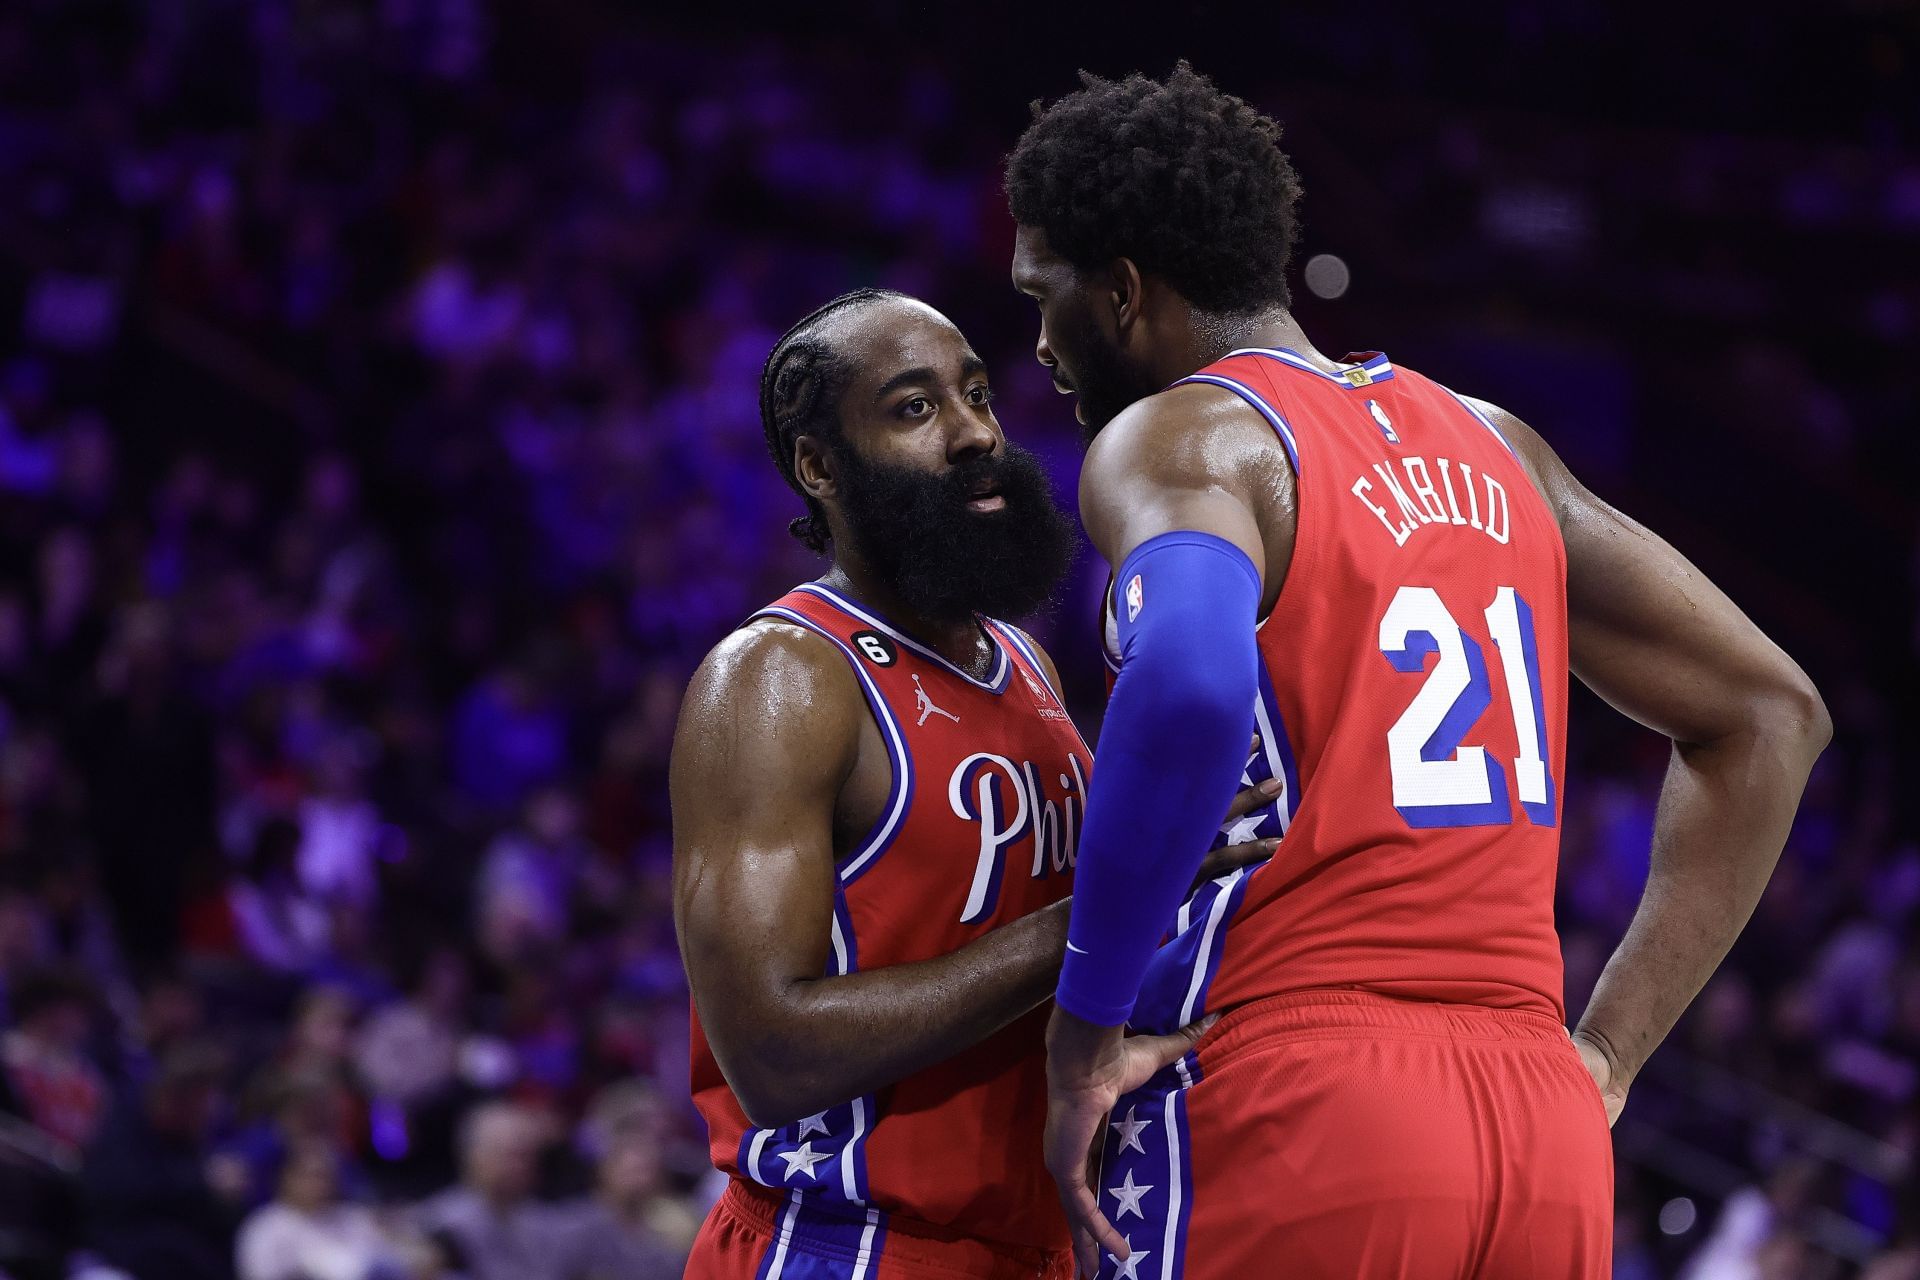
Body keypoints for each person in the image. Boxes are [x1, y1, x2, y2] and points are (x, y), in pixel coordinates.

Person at [1004, 64, 1832, 1279]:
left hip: (1300, 1097)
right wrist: (1606, 1051)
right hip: (1536, 1125)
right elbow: (1771, 711)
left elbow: (1184, 680)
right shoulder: (1497, 444)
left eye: (1044, 296)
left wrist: (1082, 1033)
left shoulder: (1184, 436)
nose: (1037, 341)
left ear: (1123, 293)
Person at [673, 290, 1277, 1280]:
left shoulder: (1022, 662)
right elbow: (770, 1052)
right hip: (846, 1242)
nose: (972, 434)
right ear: (819, 465)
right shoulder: (782, 677)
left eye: (977, 394)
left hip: (1030, 1246)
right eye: (914, 409)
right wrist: (1102, 912)